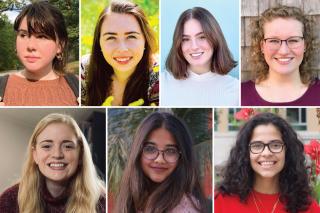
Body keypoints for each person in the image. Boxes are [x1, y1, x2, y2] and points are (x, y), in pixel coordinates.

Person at [215, 112, 320, 213]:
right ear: (246, 152)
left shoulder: (307, 207)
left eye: (275, 145)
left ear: (287, 151)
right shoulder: (220, 202)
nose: (266, 153)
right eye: (257, 146)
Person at [0, 113, 106, 212]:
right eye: (47, 146)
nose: (57, 154)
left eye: (68, 146)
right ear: (35, 155)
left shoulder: (101, 201)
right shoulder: (9, 200)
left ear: (80, 155)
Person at [114, 112, 208, 213]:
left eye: (171, 151)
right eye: (150, 149)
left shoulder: (185, 209)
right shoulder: (131, 198)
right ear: (138, 152)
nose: (160, 159)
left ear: (182, 157)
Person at [0, 1, 79, 106]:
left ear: (60, 45)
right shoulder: (2, 86)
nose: (30, 46)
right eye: (23, 35)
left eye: (42, 36)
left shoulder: (78, 85)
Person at [82, 0, 158, 106]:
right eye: (111, 37)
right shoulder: (84, 70)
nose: (122, 49)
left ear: (145, 40)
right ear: (99, 43)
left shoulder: (160, 78)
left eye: (131, 36)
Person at [241, 6, 320, 106]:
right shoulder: (240, 94)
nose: (283, 51)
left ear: (305, 45)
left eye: (293, 40)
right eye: (274, 41)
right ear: (262, 46)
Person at [161, 7, 238, 106]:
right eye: (185, 39)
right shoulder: (162, 84)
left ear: (215, 38)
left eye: (202, 37)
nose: (194, 47)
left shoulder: (235, 89)